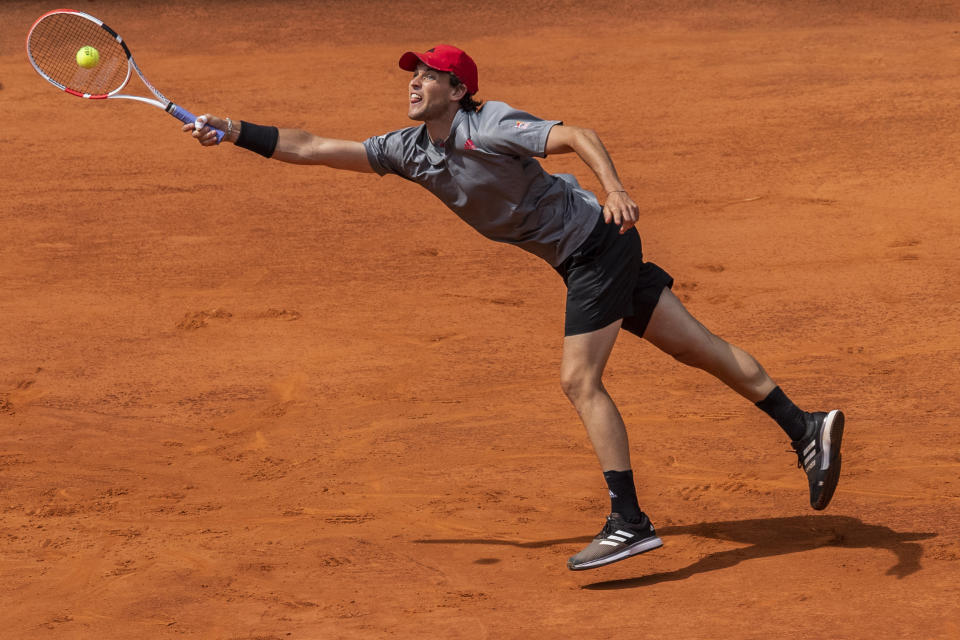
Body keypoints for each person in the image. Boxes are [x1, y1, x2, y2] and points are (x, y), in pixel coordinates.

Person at [184, 44, 845, 572]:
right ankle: (804, 426)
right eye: (412, 73)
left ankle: (629, 522)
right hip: (583, 255)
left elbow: (577, 134)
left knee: (579, 380)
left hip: (598, 245)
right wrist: (234, 129)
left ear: (458, 90)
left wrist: (614, 188)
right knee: (694, 346)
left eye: (429, 74)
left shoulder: (488, 124)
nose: (414, 81)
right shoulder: (409, 152)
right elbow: (312, 147)